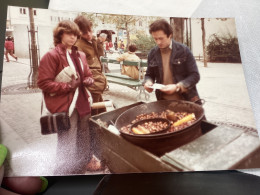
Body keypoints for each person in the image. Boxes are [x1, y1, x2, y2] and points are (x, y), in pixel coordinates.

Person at [37, 20, 95, 174]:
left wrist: (90, 80)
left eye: (75, 34)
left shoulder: (80, 54)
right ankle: (63, 175)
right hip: (67, 106)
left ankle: (80, 172)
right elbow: (43, 83)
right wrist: (68, 86)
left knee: (84, 142)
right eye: (69, 33)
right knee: (67, 144)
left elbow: (88, 74)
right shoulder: (52, 55)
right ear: (60, 34)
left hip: (83, 103)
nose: (73, 37)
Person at [143, 19, 201, 103]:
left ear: (170, 35)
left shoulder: (184, 50)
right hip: (163, 101)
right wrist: (148, 82)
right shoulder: (152, 53)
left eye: (161, 38)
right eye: (155, 39)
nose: (158, 42)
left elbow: (195, 75)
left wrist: (178, 86)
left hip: (186, 101)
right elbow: (149, 74)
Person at [74, 15, 107, 115]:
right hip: (92, 86)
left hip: (97, 84)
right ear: (78, 32)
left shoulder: (92, 41)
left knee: (101, 112)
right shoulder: (78, 45)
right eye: (84, 33)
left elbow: (98, 58)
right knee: (94, 114)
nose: (88, 34)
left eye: (90, 30)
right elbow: (82, 69)